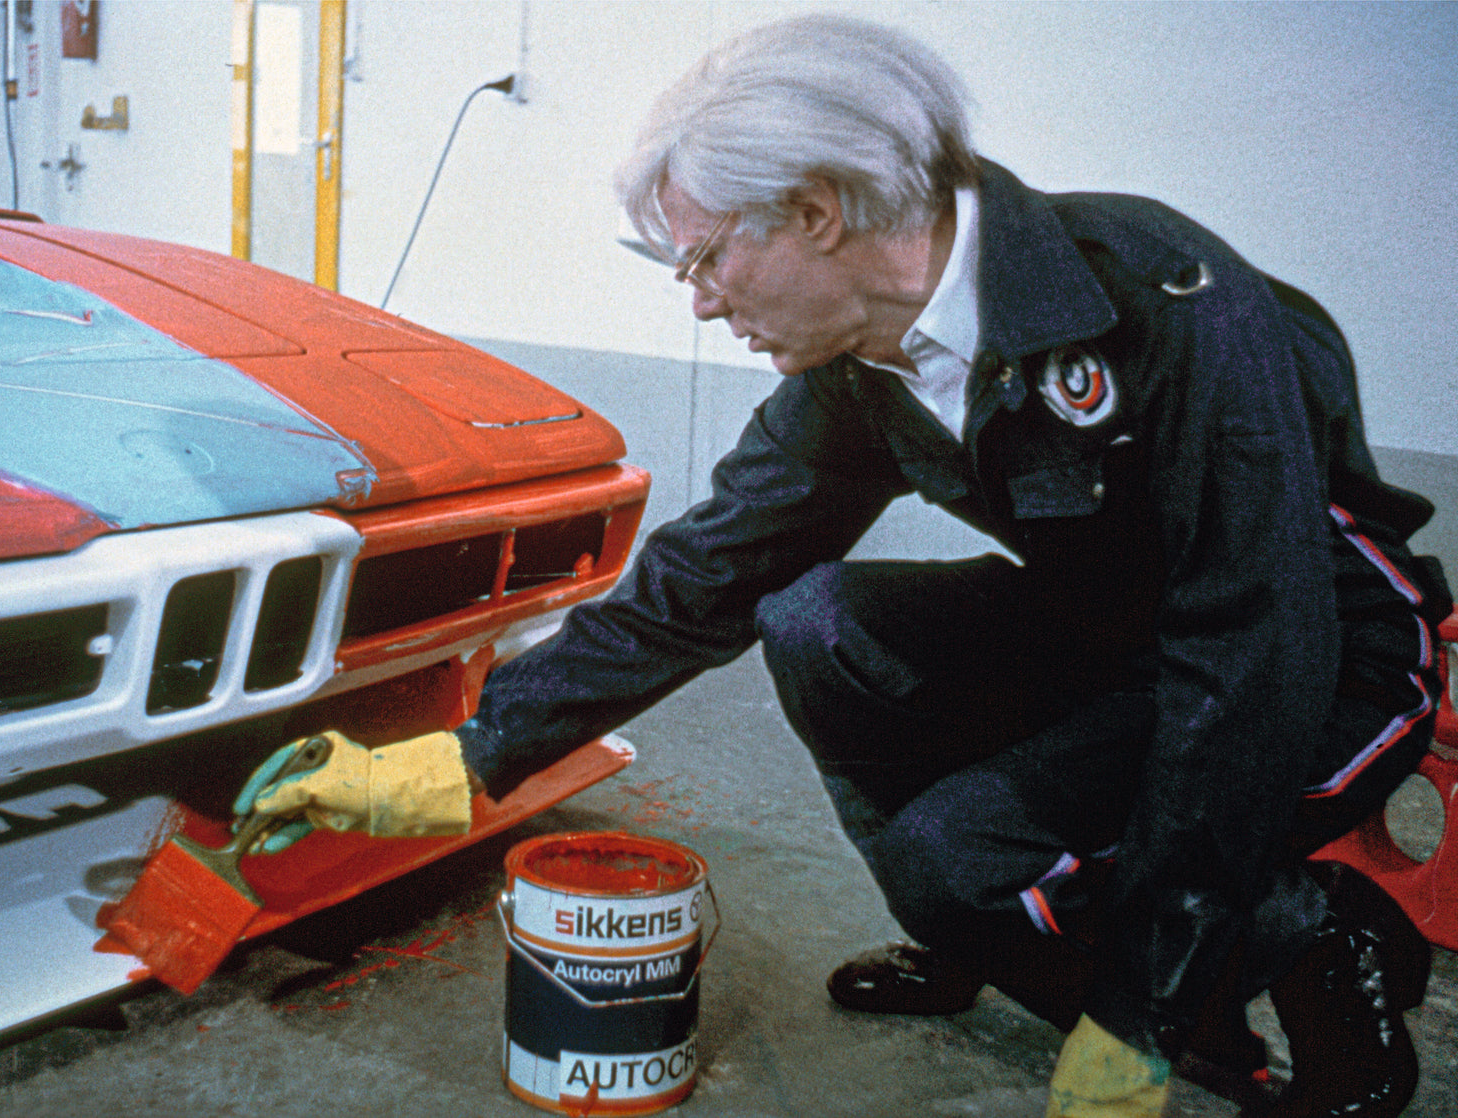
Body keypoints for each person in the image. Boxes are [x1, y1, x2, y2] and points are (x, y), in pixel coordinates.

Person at [239, 14, 1450, 1117]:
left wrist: (1137, 1009)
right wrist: (462, 759)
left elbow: (1243, 656)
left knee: (956, 855)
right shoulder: (855, 370)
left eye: (704, 259)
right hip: (1119, 632)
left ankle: (1311, 933)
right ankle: (980, 927)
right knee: (817, 622)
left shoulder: (1165, 300)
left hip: (1316, 655)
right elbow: (701, 581)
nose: (702, 305)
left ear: (815, 211)